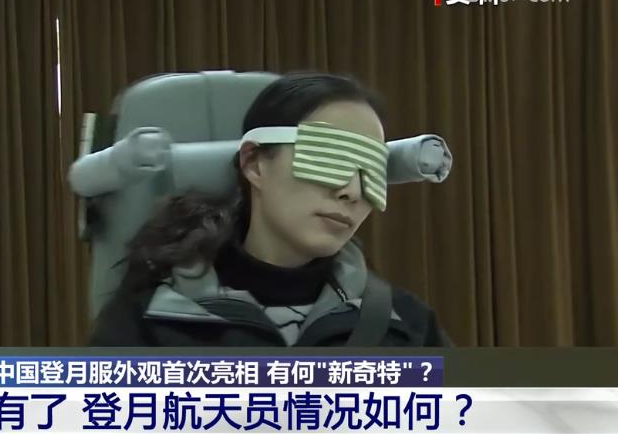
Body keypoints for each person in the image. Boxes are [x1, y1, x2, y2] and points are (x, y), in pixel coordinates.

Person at [90, 73, 451, 347]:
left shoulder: (407, 326)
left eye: (371, 173)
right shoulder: (148, 322)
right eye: (331, 159)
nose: (352, 192)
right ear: (254, 163)